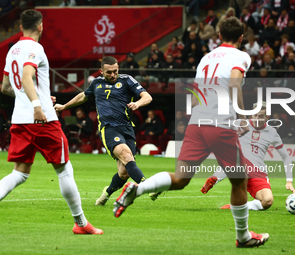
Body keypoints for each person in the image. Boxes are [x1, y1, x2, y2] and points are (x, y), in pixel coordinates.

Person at [113, 17, 269, 248]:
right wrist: (243, 118)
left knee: (181, 178)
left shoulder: (207, 57)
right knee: (239, 182)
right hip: (221, 125)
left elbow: (195, 94)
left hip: (198, 124)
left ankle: (138, 188)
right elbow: (235, 84)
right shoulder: (241, 55)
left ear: (218, 34)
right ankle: (244, 237)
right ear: (241, 37)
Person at [0, 9, 102, 235]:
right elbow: (28, 77)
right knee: (65, 170)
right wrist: (38, 104)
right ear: (40, 26)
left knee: (20, 172)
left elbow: (7, 87)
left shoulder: (13, 51)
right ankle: (81, 224)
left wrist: (37, 95)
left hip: (20, 120)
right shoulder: (35, 48)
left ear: (20, 27)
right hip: (43, 119)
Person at [54, 56, 153, 206]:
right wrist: (64, 106)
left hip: (127, 128)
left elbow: (147, 96)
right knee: (127, 156)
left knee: (124, 172)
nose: (113, 75)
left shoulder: (127, 80)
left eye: (115, 71)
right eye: (109, 73)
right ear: (101, 71)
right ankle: (148, 186)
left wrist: (138, 103)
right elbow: (83, 96)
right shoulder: (96, 83)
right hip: (109, 128)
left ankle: (106, 193)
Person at [201, 102, 295, 211]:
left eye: (260, 116)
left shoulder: (271, 132)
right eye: (255, 115)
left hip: (257, 172)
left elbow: (285, 157)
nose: (257, 118)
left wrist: (289, 180)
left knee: (267, 201)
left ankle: (237, 206)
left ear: (267, 117)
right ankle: (215, 178)